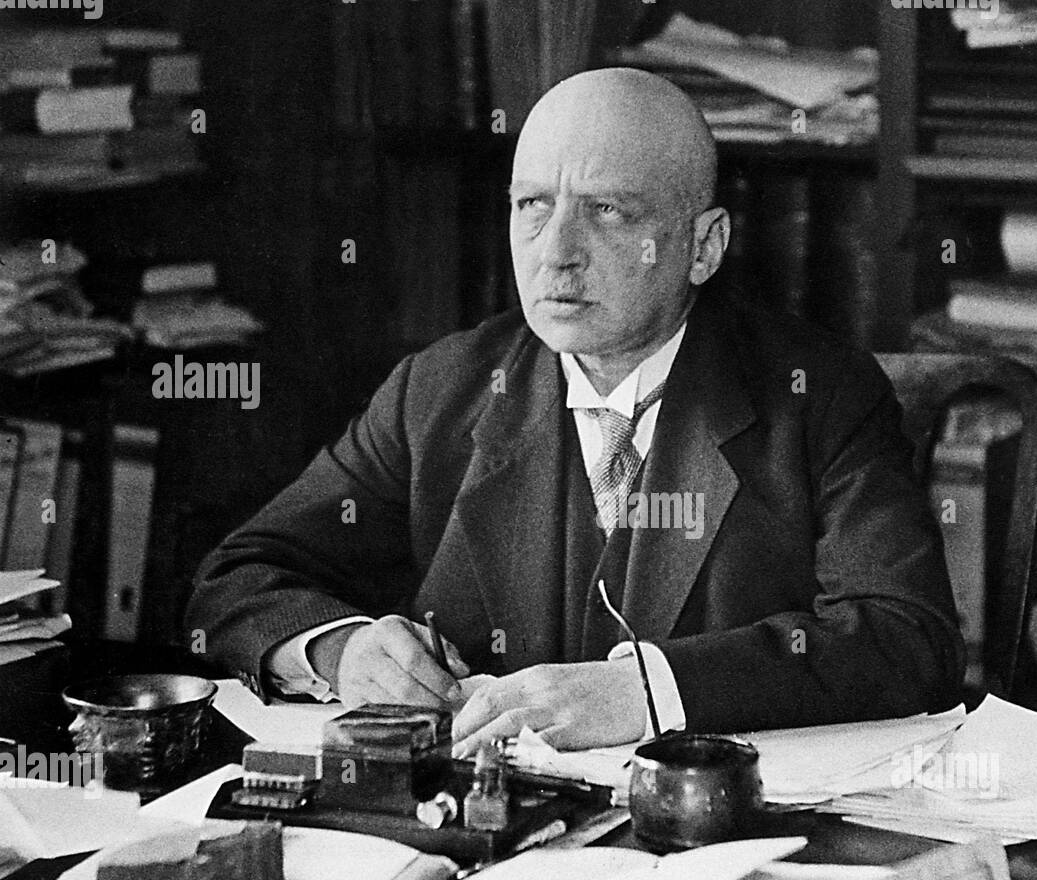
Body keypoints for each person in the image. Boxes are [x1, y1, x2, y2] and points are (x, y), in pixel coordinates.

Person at [186, 68, 965, 757]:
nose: (557, 250)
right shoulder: (441, 391)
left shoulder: (818, 395)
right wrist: (340, 650)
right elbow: (239, 579)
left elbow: (909, 638)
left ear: (703, 246)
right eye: (533, 204)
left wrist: (646, 692)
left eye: (609, 212)